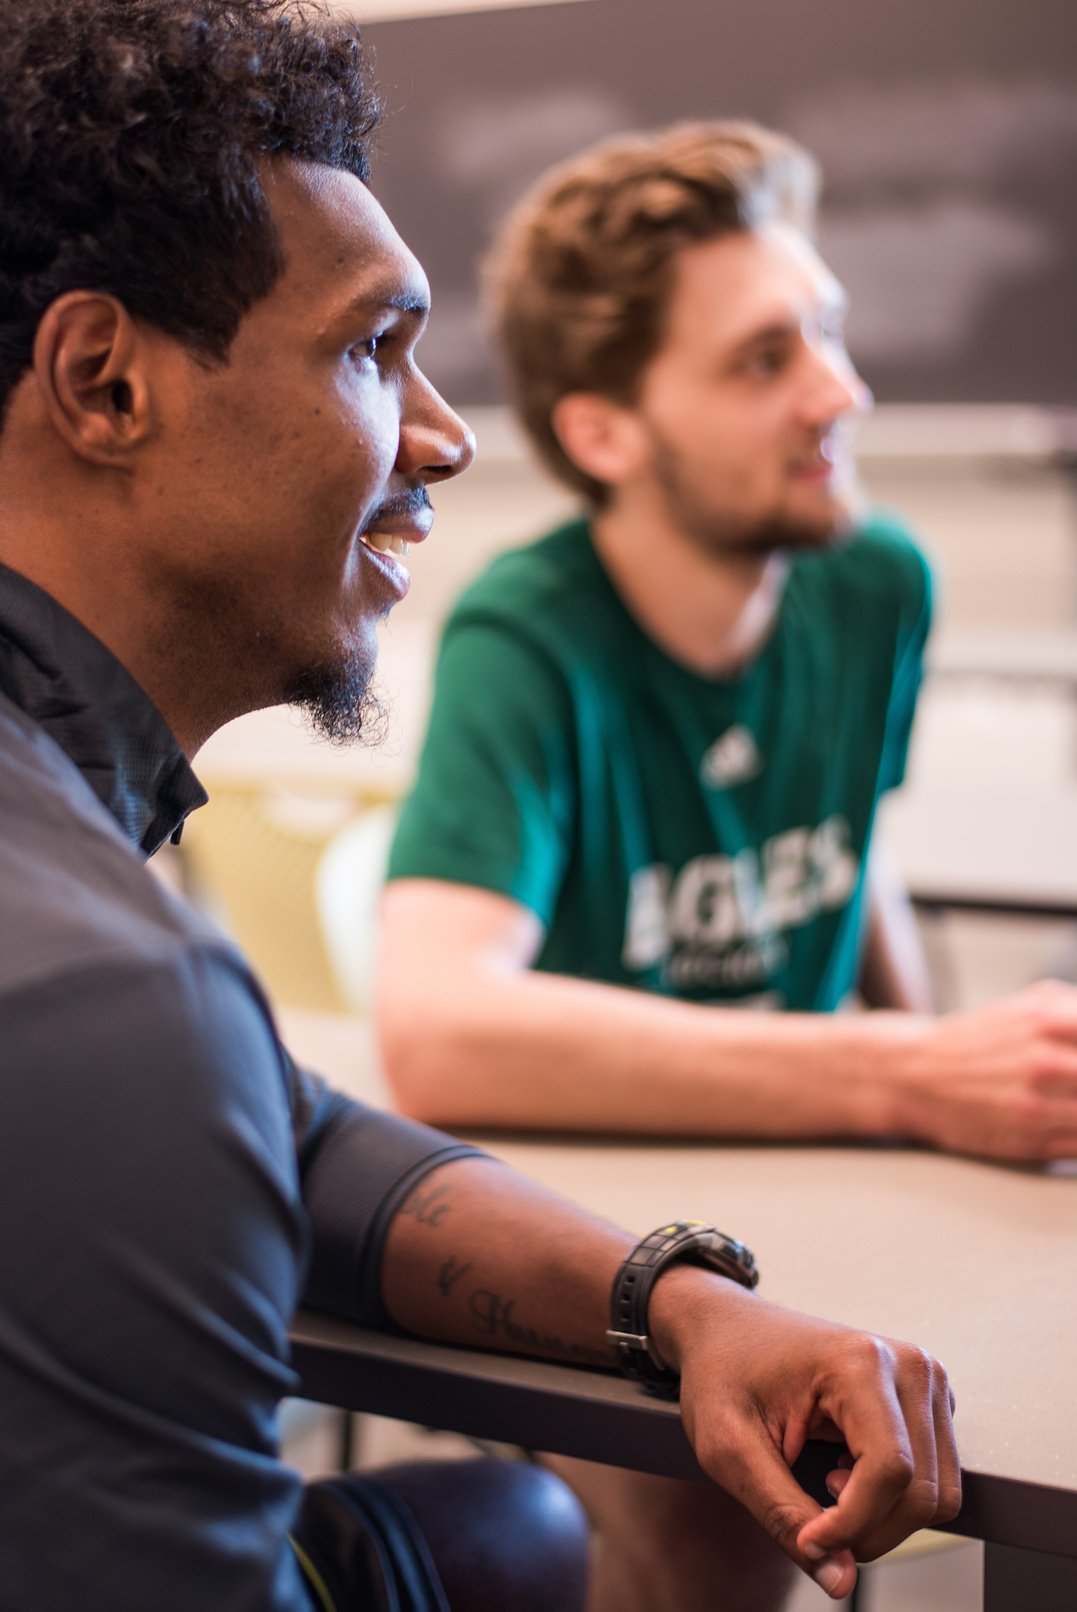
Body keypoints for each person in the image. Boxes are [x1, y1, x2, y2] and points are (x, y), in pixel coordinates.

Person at [0, 9, 960, 1610]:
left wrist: (671, 1296)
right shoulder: (114, 1002)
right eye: (374, 348)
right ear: (104, 382)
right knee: (528, 1542)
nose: (445, 433)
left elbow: (273, 1126)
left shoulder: (117, 963)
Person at [379, 121, 1077, 1164]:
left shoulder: (875, 578)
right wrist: (909, 1073)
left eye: (828, 332)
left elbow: (852, 848)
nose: (842, 392)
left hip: (823, 1161)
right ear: (602, 434)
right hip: (619, 1194)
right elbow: (435, 1033)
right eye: (764, 360)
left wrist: (946, 1066)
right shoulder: (526, 633)